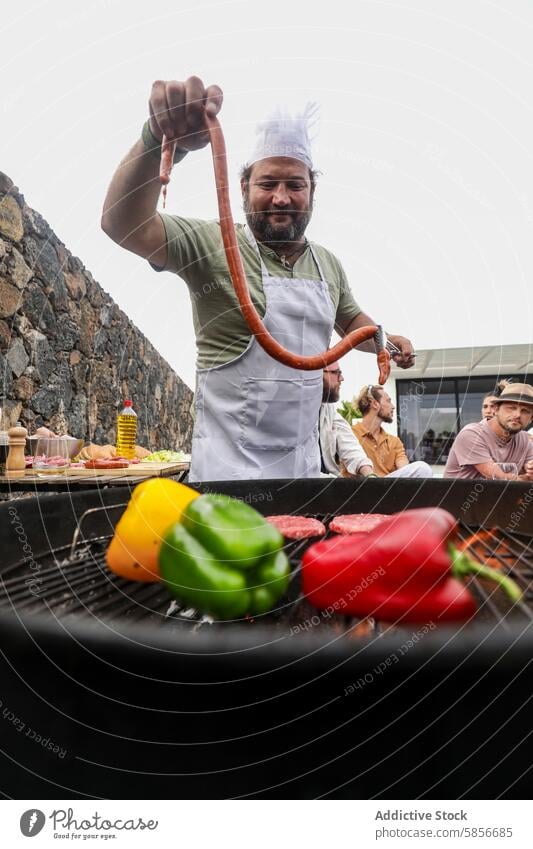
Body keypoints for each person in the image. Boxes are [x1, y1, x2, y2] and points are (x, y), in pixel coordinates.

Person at [101, 77, 414, 481]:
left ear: (312, 191)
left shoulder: (328, 265)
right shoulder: (212, 242)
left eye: (295, 185)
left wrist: (387, 343)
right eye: (268, 184)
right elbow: (122, 222)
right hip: (223, 484)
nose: (281, 197)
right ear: (245, 187)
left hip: (302, 480)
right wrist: (159, 137)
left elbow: (353, 322)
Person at [444, 383, 533, 480]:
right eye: (511, 408)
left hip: (500, 494)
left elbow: (529, 472)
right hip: (460, 494)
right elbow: (499, 479)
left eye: (525, 411)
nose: (517, 415)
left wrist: (529, 470)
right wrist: (525, 478)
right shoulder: (471, 434)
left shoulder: (525, 439)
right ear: (496, 409)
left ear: (531, 418)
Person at [352, 385, 432, 478]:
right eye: (388, 401)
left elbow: (405, 470)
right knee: (423, 468)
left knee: (422, 469)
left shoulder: (394, 442)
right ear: (375, 404)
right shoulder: (350, 435)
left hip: (388, 488)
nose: (393, 407)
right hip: (359, 488)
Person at [319, 363, 374, 478]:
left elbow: (351, 448)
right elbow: (303, 470)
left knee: (420, 468)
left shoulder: (329, 410)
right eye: (336, 372)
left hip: (329, 485)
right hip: (302, 487)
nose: (342, 378)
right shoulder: (295, 411)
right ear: (315, 374)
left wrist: (370, 476)